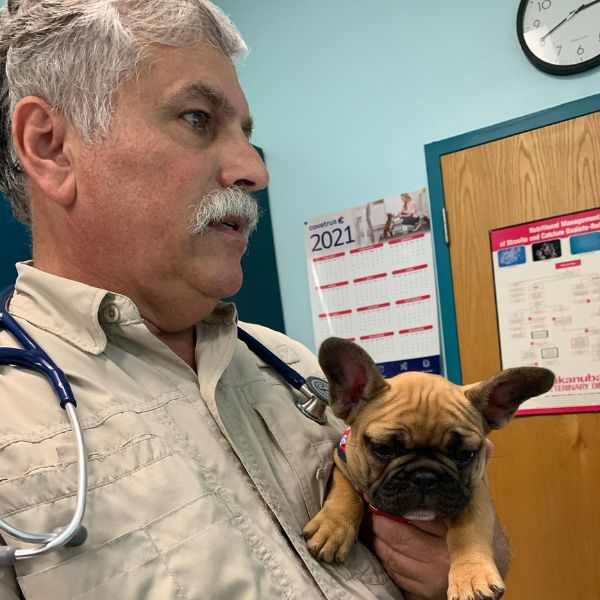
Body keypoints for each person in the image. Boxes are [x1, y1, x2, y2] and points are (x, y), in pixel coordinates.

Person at [0, 2, 510, 598]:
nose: (253, 169)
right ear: (51, 146)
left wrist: (480, 549)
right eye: (198, 118)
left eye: (247, 133)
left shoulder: (289, 364)